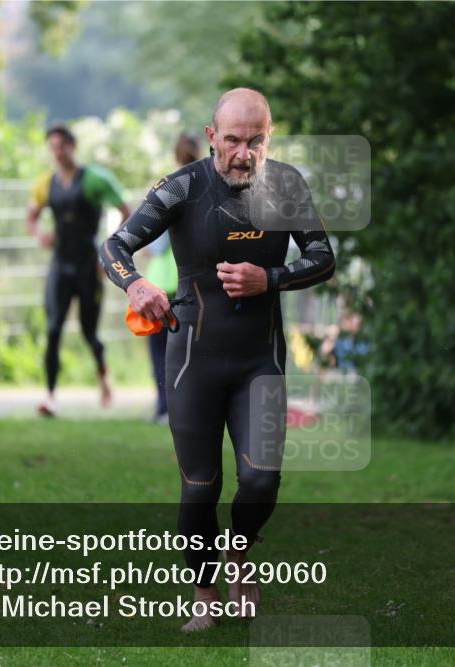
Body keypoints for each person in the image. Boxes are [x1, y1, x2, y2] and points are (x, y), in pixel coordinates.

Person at [99, 88, 335, 632]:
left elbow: (323, 257)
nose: (243, 153)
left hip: (260, 360)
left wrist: (270, 278)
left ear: (268, 137)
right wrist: (135, 286)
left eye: (256, 141)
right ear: (212, 138)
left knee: (260, 482)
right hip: (193, 362)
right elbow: (113, 247)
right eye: (232, 140)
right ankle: (206, 593)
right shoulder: (182, 187)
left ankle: (238, 554)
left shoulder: (288, 185)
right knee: (199, 488)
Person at [26, 124, 132, 417]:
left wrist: (110, 251)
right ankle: (50, 397)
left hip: (89, 265)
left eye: (62, 146)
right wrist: (40, 234)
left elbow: (127, 213)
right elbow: (31, 217)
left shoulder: (96, 179)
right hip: (60, 264)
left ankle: (104, 379)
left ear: (73, 147)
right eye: (53, 148)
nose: (58, 153)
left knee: (89, 332)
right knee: (53, 328)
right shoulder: (46, 183)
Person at [143, 133, 200, 424]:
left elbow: (159, 244)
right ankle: (185, 408)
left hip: (159, 283)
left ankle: (164, 408)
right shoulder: (205, 187)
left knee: (160, 354)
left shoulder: (169, 188)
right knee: (187, 353)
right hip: (189, 284)